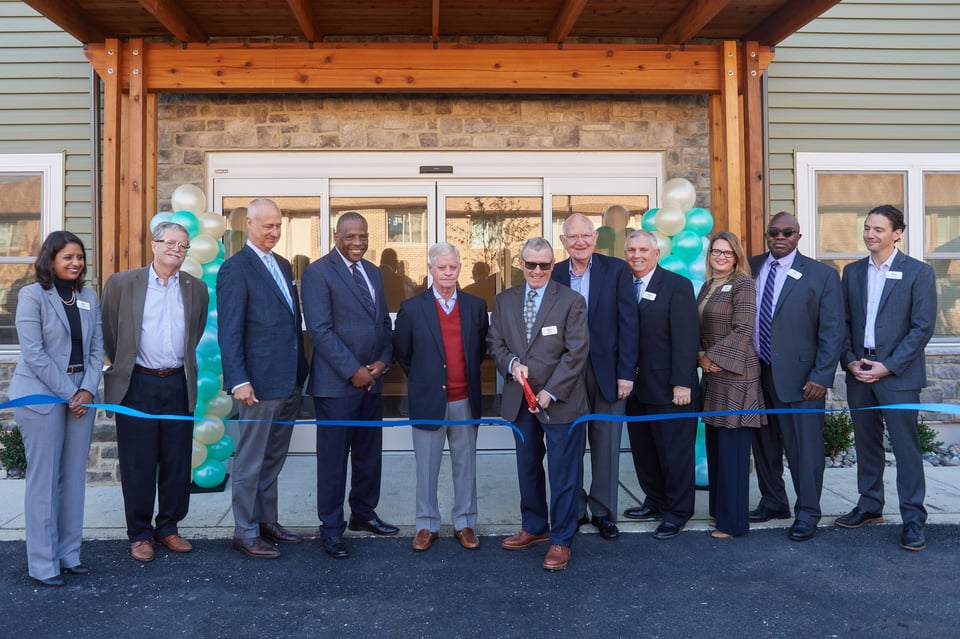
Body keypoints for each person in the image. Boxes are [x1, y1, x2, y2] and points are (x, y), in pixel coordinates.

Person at [101, 222, 208, 562]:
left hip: (178, 382)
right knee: (138, 463)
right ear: (154, 245)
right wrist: (127, 367)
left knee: (177, 461)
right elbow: (110, 333)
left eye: (184, 244)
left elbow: (196, 331)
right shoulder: (121, 284)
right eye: (170, 242)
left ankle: (168, 528)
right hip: (137, 383)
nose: (177, 248)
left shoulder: (197, 289)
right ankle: (140, 534)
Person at [835, 204, 937, 551]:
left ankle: (913, 518)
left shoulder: (918, 273)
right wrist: (849, 360)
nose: (870, 234)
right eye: (866, 228)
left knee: (906, 448)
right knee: (866, 442)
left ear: (897, 233)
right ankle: (869, 505)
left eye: (878, 229)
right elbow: (843, 322)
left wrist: (889, 366)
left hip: (898, 375)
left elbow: (922, 328)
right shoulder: (851, 272)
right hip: (859, 370)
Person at [488, 237, 590, 571]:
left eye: (544, 265)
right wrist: (512, 363)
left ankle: (561, 539)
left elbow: (577, 353)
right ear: (520, 263)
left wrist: (550, 392)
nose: (537, 270)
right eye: (531, 264)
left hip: (561, 402)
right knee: (527, 467)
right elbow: (496, 343)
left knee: (564, 474)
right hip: (520, 400)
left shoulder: (571, 300)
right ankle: (534, 527)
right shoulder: (504, 301)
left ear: (552, 264)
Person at [8, 232, 103, 587]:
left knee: (73, 478)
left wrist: (87, 390)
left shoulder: (89, 296)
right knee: (44, 481)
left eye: (79, 257)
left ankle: (69, 554)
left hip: (82, 396)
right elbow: (33, 354)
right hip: (42, 397)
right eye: (68, 257)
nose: (76, 263)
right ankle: (43, 563)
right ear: (50, 260)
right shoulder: (32, 296)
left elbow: (97, 348)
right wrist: (70, 393)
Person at [302, 211, 397, 559]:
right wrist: (353, 370)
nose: (357, 243)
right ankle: (331, 528)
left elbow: (383, 322)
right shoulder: (317, 272)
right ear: (336, 235)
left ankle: (363, 513)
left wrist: (383, 361)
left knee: (369, 456)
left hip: (372, 382)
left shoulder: (373, 272)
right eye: (350, 236)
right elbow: (320, 330)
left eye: (363, 236)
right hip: (337, 385)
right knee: (333, 461)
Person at [217, 198, 309, 559]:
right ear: (249, 225)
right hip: (256, 384)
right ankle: (245, 530)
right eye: (267, 225)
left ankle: (267, 521)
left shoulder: (284, 265)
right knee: (251, 460)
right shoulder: (235, 269)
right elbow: (230, 329)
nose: (274, 232)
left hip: (288, 380)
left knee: (273, 457)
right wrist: (238, 379)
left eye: (278, 225)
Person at [747, 212, 844, 542]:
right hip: (757, 373)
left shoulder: (821, 275)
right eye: (773, 231)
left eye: (787, 232)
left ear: (798, 236)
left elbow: (833, 332)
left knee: (804, 449)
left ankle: (808, 511)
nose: (780, 236)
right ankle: (774, 501)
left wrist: (822, 375)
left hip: (804, 380)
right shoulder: (751, 266)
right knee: (764, 444)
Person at [393, 242, 489, 551]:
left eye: (453, 267)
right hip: (428, 401)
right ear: (431, 269)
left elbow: (478, 353)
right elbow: (403, 354)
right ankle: (426, 525)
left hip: (465, 400)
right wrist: (426, 381)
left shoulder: (475, 306)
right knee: (426, 467)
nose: (448, 273)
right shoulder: (412, 308)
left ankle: (465, 523)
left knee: (466, 466)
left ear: (459, 268)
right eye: (442, 267)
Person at [551, 213, 638, 541]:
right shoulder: (555, 273)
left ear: (595, 238)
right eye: (572, 237)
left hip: (609, 373)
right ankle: (573, 510)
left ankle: (603, 512)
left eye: (585, 235)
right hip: (566, 374)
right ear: (563, 241)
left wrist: (627, 373)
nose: (580, 242)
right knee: (571, 442)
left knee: (606, 444)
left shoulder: (616, 271)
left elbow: (629, 324)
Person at [622, 230, 700, 540]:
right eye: (631, 250)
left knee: (674, 453)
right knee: (645, 451)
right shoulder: (624, 286)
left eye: (643, 249)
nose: (636, 255)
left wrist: (682, 383)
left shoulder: (676, 286)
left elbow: (686, 337)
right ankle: (654, 500)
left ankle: (678, 512)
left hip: (670, 389)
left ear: (656, 253)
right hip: (635, 387)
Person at [697, 231, 764, 539]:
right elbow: (696, 326)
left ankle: (734, 523)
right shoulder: (708, 285)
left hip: (737, 376)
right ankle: (720, 513)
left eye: (727, 252)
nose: (721, 257)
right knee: (717, 450)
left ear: (737, 256)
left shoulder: (743, 284)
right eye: (716, 252)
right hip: (713, 376)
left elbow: (743, 327)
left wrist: (713, 358)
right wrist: (700, 356)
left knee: (734, 452)